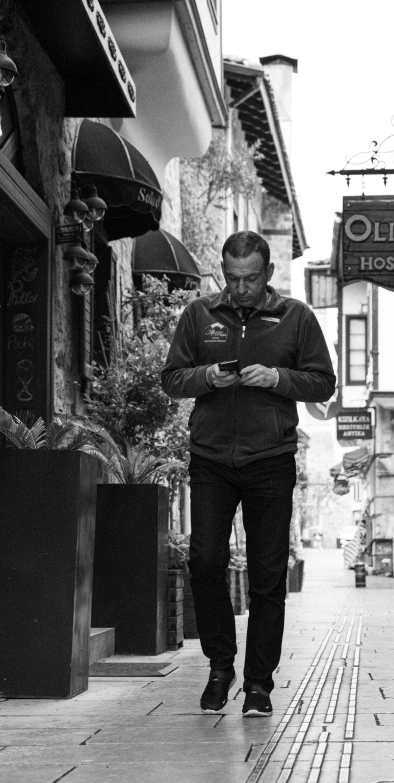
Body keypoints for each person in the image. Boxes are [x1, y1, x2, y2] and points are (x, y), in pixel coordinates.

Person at [161, 231, 335, 718]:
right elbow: (172, 379)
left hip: (271, 460)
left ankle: (259, 683)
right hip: (212, 458)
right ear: (222, 271)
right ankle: (221, 666)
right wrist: (208, 377)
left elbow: (324, 380)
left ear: (269, 274)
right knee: (205, 561)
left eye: (251, 279)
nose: (240, 289)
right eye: (232, 279)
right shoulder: (199, 315)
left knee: (267, 576)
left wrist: (278, 379)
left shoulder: (296, 316)